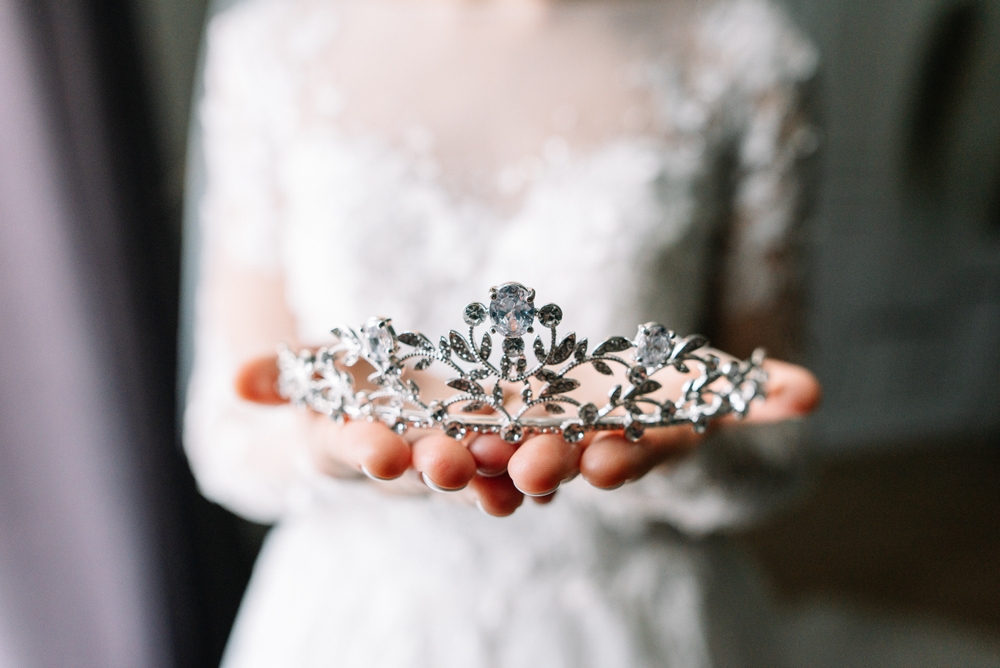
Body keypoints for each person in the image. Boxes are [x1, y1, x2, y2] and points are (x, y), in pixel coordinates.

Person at [184, 0, 822, 665]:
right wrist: (323, 444)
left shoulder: (745, 54)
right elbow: (232, 434)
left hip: (632, 610)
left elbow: (774, 434)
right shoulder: (270, 50)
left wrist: (691, 436)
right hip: (359, 614)